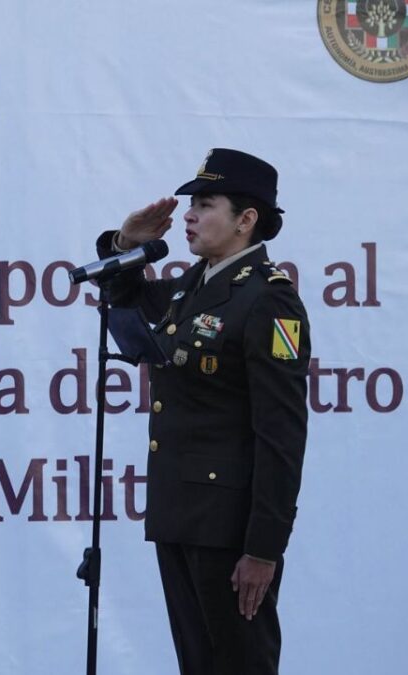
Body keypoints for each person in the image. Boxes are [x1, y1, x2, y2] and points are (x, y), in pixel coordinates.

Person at [98, 148, 309, 674]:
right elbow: (125, 298)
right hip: (181, 515)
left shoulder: (268, 300)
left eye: (205, 204)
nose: (189, 215)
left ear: (246, 220)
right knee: (199, 664)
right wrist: (126, 244)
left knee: (239, 665)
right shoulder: (196, 286)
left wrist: (263, 549)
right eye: (191, 204)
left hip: (230, 531)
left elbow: (281, 434)